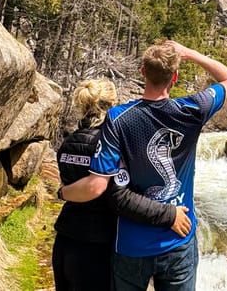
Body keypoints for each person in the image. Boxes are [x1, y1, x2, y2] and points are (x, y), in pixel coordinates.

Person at [61, 41, 227, 291]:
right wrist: (191, 54)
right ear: (174, 77)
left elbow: (108, 188)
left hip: (132, 244)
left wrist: (61, 191)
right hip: (179, 239)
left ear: (142, 72)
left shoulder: (117, 118)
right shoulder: (194, 109)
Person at [53, 78, 193, 291]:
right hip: (97, 248)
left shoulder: (67, 144)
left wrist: (62, 193)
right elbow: (120, 197)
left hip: (65, 240)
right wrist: (169, 215)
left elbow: (74, 187)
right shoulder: (112, 145)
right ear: (112, 104)